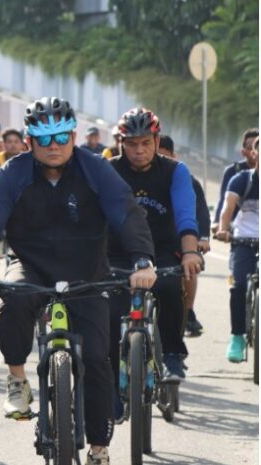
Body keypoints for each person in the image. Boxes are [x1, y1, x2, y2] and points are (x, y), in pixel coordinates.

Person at [0, 97, 156, 465]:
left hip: (87, 272)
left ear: (74, 136)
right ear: (30, 141)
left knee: (99, 358)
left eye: (62, 137)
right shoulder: (14, 172)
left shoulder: (95, 169)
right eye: (45, 138)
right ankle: (18, 379)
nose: (54, 146)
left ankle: (99, 447)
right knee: (15, 298)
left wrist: (142, 260)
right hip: (31, 264)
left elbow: (125, 212)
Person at [108, 108, 203, 410]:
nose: (139, 150)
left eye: (146, 143)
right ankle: (111, 382)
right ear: (121, 142)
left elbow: (187, 218)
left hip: (161, 248)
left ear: (156, 140)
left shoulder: (176, 171)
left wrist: (189, 252)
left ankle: (173, 355)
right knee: (110, 309)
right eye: (132, 143)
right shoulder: (108, 170)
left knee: (170, 284)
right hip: (117, 251)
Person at [157, 135, 210, 337]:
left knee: (190, 268)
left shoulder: (184, 177)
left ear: (173, 156)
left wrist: (202, 238)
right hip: (146, 239)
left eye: (164, 156)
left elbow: (200, 211)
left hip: (180, 236)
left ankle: (187, 311)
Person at [215, 136, 258, 362]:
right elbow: (227, 208)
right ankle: (238, 337)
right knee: (239, 286)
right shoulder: (242, 180)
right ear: (253, 153)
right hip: (244, 242)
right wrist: (223, 229)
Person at [213, 128, 259, 234]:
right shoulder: (233, 172)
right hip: (236, 226)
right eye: (250, 146)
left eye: (256, 146)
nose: (255, 149)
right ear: (243, 152)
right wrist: (219, 224)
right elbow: (224, 201)